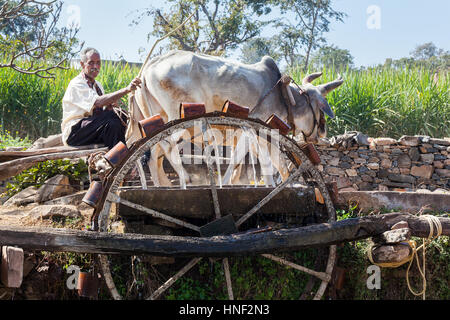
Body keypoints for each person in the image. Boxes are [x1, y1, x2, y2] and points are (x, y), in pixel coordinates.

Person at [61, 47, 142, 149]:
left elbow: (100, 111)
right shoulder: (77, 83)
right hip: (74, 133)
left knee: (121, 116)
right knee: (112, 121)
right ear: (82, 64)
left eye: (98, 63)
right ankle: (119, 159)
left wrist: (110, 107)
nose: (95, 66)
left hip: (90, 128)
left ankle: (120, 155)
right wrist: (126, 90)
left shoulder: (97, 85)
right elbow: (98, 102)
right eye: (91, 63)